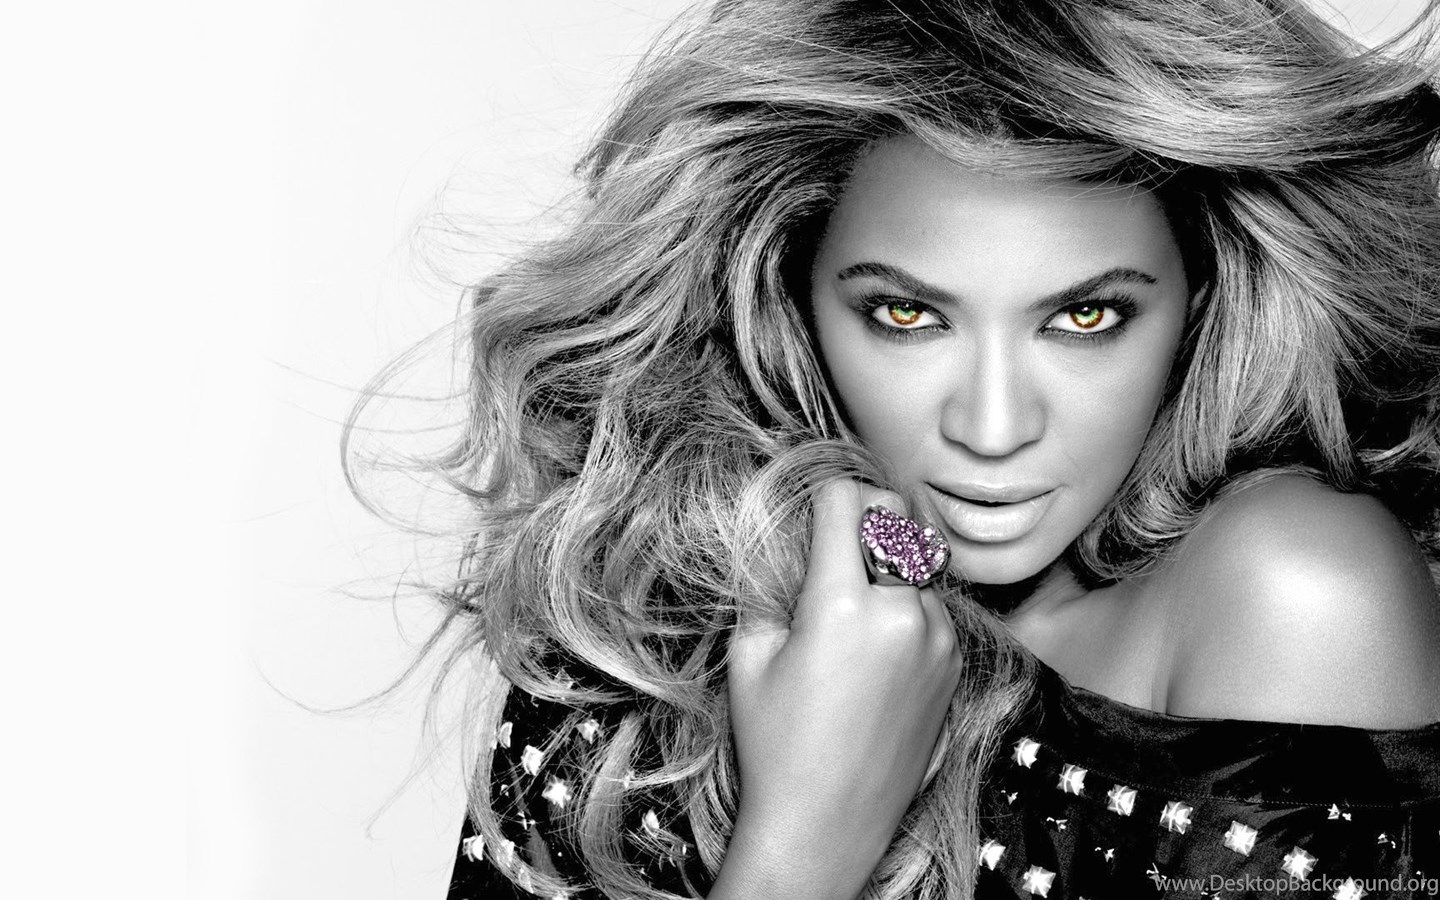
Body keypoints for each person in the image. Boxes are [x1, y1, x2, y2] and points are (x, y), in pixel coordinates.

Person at [346, 0, 1440, 897]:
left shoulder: (1296, 592)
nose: (994, 428)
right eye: (908, 316)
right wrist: (808, 829)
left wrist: (805, 842)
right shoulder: (655, 601)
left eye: (1086, 317)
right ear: (788, 292)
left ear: (1203, 300)